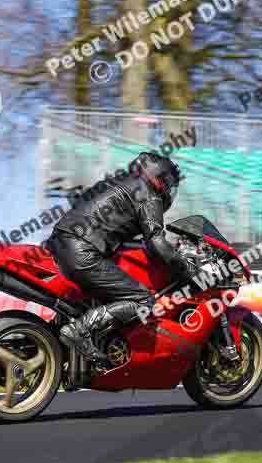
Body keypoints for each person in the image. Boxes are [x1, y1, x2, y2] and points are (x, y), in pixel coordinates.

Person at [45, 152, 197, 370]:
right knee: (144, 301)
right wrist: (187, 268)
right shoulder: (148, 194)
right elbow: (156, 243)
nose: (168, 189)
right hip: (83, 250)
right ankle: (80, 330)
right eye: (168, 183)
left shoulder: (113, 182)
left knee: (85, 302)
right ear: (158, 178)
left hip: (59, 244)